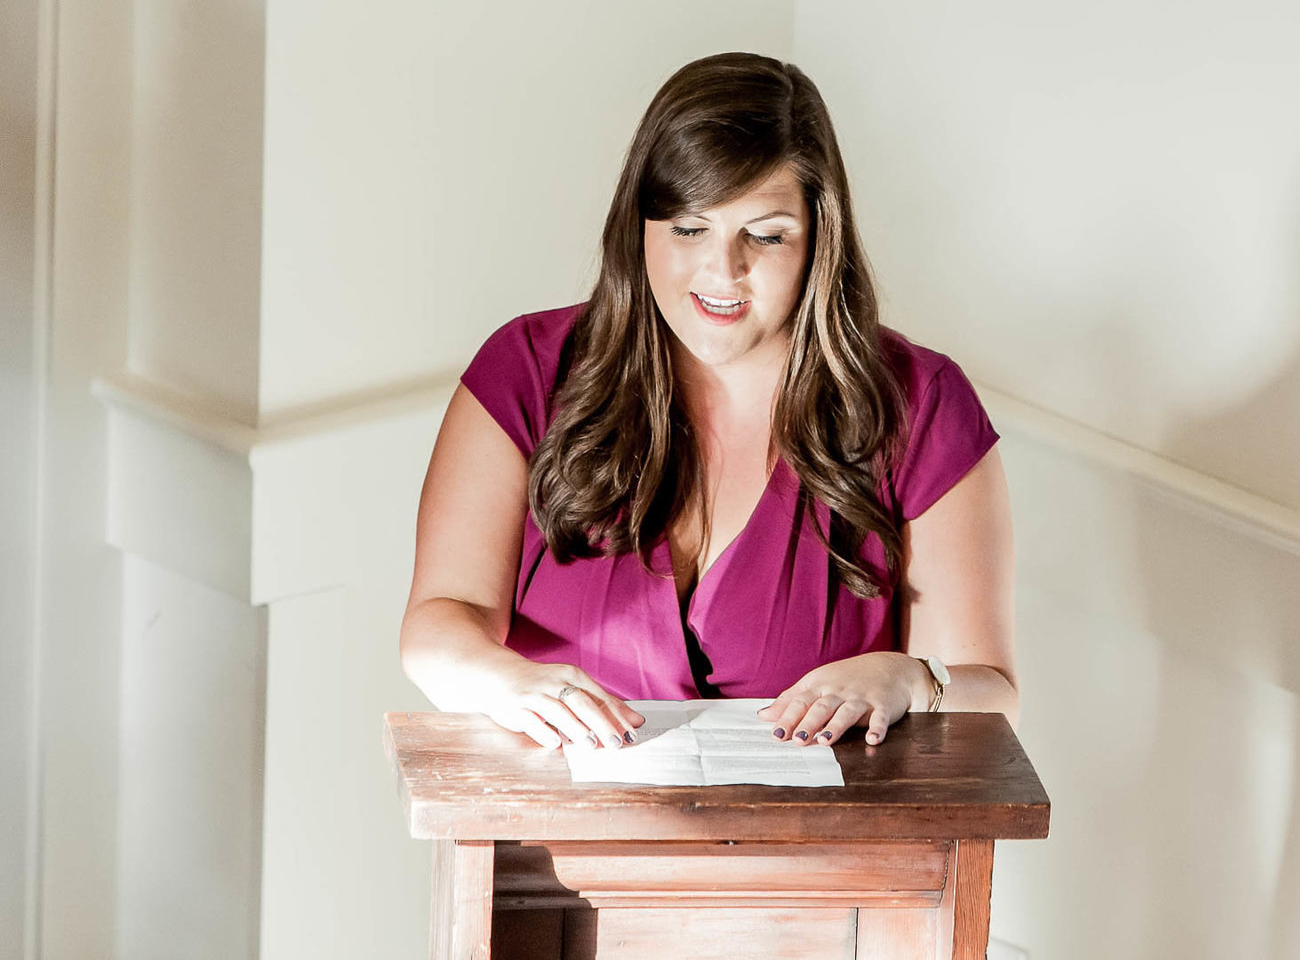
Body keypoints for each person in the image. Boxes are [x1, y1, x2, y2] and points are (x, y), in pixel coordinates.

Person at [399, 52, 1017, 753]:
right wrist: (502, 681)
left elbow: (990, 692)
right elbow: (439, 622)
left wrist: (910, 679)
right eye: (689, 229)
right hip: (555, 850)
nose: (723, 270)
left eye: (766, 233)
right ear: (640, 226)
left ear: (820, 237)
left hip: (827, 858)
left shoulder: (924, 406)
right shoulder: (526, 371)